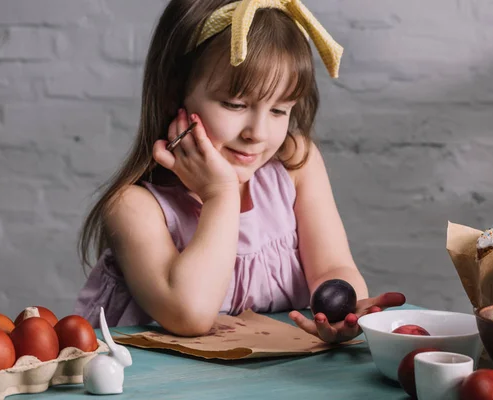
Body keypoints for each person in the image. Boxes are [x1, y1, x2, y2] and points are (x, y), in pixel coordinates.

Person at [74, 0, 405, 344]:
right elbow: (190, 313)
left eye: (279, 110)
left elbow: (333, 268)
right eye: (235, 105)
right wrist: (221, 195)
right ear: (176, 90)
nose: (257, 133)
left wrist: (341, 312)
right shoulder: (133, 207)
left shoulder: (295, 164)